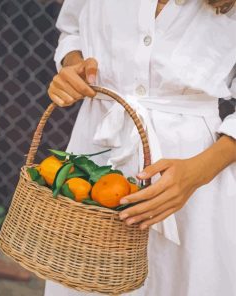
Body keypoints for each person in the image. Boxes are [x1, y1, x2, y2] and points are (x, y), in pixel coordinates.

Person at [45, 0, 236, 295]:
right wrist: (74, 68)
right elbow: (72, 31)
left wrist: (197, 174)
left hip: (193, 176)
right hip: (96, 153)